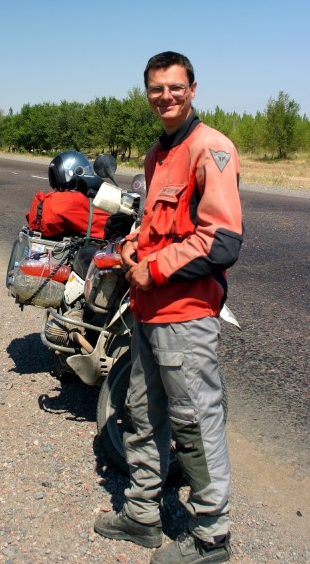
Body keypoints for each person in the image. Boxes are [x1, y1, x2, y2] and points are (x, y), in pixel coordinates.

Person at [94, 52, 243, 564]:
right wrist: (133, 244)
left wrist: (153, 269)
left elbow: (221, 241)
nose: (166, 96)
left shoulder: (211, 148)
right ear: (148, 94)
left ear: (193, 89)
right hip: (147, 313)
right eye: (157, 89)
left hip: (185, 315)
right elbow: (161, 225)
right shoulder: (158, 154)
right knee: (142, 414)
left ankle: (211, 536)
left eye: (175, 87)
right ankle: (142, 516)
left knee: (194, 425)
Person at [26, 150, 110, 240]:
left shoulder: (53, 200)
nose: (89, 173)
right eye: (87, 170)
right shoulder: (74, 202)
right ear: (76, 171)